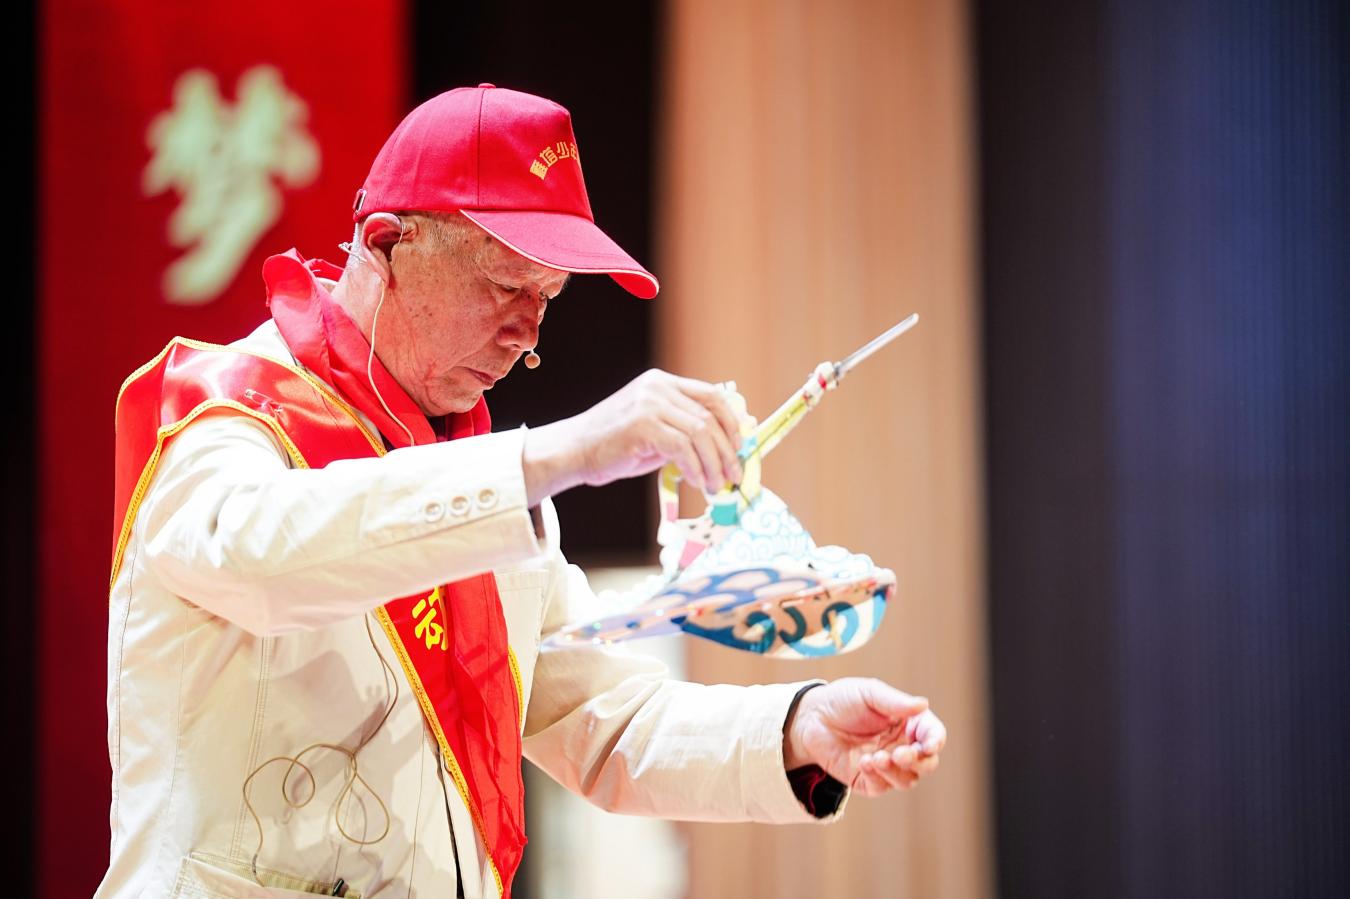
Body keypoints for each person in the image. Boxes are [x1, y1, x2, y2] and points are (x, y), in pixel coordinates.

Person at [100, 84, 946, 898]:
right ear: (388, 244)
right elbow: (259, 558)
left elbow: (607, 718)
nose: (528, 334)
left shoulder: (471, 470)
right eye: (506, 286)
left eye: (548, 297)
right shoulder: (226, 416)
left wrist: (799, 729)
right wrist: (558, 453)